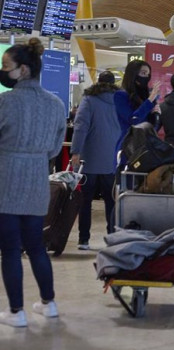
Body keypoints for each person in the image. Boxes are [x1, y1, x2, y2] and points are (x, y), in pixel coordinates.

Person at [0, 38, 65, 327]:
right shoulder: (55, 104)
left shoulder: (5, 102)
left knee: (11, 249)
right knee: (36, 246)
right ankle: (48, 303)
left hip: (7, 180)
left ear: (23, 70)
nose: (4, 71)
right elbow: (54, 149)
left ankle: (17, 312)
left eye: (6, 67)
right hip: (38, 180)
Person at [71, 71, 121, 250]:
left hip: (90, 159)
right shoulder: (120, 100)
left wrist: (75, 151)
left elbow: (80, 126)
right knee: (111, 200)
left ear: (98, 82)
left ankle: (84, 239)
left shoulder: (89, 100)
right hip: (112, 159)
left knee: (85, 200)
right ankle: (112, 238)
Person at [114, 60, 161, 162]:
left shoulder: (146, 98)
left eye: (148, 74)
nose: (146, 77)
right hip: (128, 148)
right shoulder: (121, 96)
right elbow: (133, 120)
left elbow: (153, 128)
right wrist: (150, 99)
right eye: (143, 73)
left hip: (147, 148)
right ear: (133, 74)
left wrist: (156, 115)